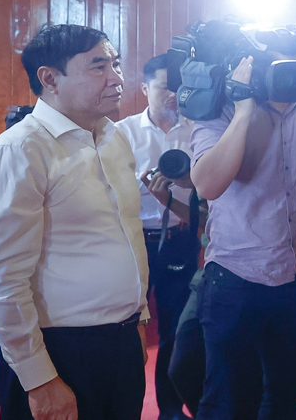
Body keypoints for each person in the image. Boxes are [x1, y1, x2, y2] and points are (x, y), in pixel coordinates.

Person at [0, 24, 149, 420]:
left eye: (115, 64)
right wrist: (39, 379)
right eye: (99, 67)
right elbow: (2, 277)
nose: (117, 79)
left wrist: (138, 317)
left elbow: (127, 235)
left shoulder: (113, 137)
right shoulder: (22, 150)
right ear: (50, 79)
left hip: (122, 341)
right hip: (59, 350)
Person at [190, 34, 296, 420]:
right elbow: (208, 183)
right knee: (228, 402)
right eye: (287, 67)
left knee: (285, 396)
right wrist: (244, 111)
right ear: (258, 68)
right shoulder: (221, 108)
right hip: (235, 277)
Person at [116, 54, 202, 420]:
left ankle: (169, 408)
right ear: (145, 88)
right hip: (130, 242)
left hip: (181, 237)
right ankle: (123, 408)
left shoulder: (198, 131)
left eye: (179, 87)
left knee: (174, 329)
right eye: (165, 86)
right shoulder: (122, 134)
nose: (172, 95)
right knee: (125, 329)